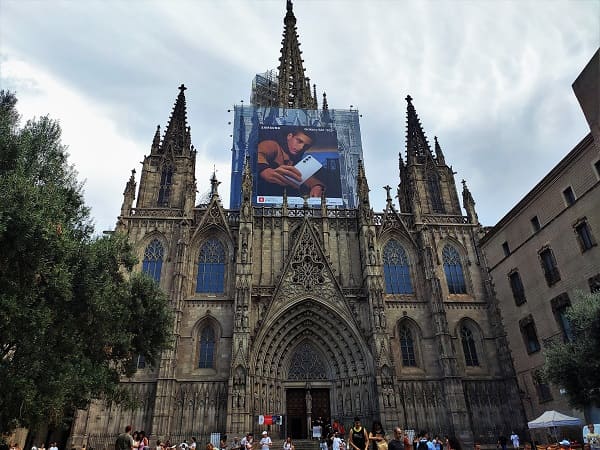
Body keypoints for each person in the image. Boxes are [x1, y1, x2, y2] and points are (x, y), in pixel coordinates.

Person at [257, 128, 324, 198]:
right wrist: (264, 170)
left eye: (306, 146)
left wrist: (317, 186)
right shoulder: (274, 145)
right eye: (299, 141)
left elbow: (305, 177)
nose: (301, 147)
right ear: (289, 136)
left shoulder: (296, 159)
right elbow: (259, 153)